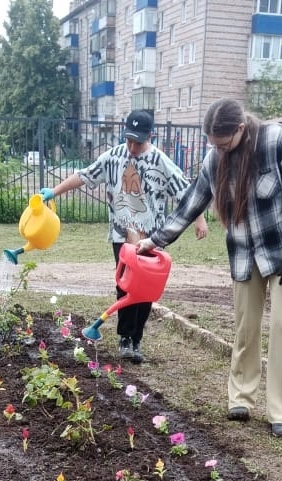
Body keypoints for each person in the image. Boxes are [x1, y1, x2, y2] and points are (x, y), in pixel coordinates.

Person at [137, 98, 282, 436]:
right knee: (245, 326)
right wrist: (155, 240)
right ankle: (242, 397)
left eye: (223, 142)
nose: (218, 149)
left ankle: (281, 412)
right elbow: (192, 201)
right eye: (213, 144)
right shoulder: (214, 158)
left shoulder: (276, 141)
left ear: (240, 129)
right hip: (244, 251)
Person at [40, 109, 208, 363]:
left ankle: (136, 339)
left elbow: (186, 190)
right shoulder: (114, 156)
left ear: (150, 136)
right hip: (122, 234)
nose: (131, 146)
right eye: (128, 139)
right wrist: (53, 192)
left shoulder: (160, 160)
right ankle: (125, 338)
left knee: (146, 290)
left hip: (153, 237)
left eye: (137, 142)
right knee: (126, 285)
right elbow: (84, 176)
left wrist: (200, 218)